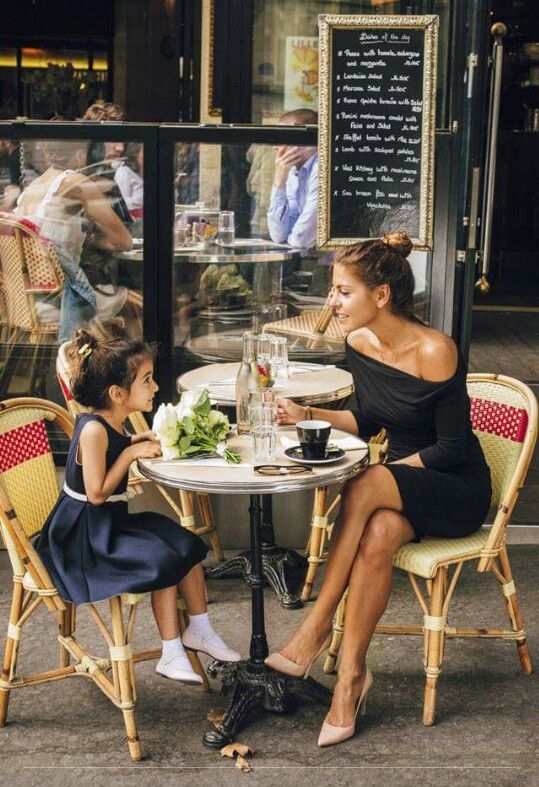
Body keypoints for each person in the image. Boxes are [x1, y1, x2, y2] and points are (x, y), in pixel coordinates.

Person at [265, 232, 492, 746]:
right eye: (333, 290)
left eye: (343, 292)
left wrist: (390, 478)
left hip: (455, 489)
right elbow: (369, 419)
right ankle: (350, 680)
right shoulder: (358, 343)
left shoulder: (436, 349)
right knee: (378, 534)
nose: (331, 303)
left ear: (381, 295)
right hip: (398, 489)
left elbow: (451, 449)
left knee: (368, 482)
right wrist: (308, 415)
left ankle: (315, 626)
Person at [35, 330, 241, 683]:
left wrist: (135, 438)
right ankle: (171, 651)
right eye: (147, 380)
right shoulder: (92, 431)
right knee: (160, 559)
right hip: (85, 539)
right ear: (118, 394)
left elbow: (116, 444)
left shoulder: (111, 421)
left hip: (109, 524)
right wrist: (131, 453)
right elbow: (97, 492)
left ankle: (200, 630)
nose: (155, 387)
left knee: (185, 544)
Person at [14, 139, 133, 339]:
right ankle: (114, 369)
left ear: (47, 154)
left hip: (26, 299)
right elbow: (124, 240)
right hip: (58, 300)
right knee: (136, 304)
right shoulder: (74, 182)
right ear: (80, 154)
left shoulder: (31, 188)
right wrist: (94, 238)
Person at [266, 108, 318, 249]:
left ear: (305, 140)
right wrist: (279, 182)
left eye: (283, 138)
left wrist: (288, 240)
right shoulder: (292, 172)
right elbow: (277, 235)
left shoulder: (322, 167)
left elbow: (301, 239)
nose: (276, 147)